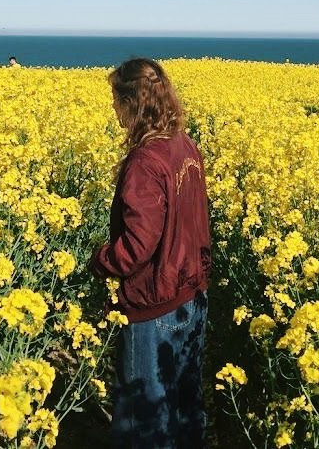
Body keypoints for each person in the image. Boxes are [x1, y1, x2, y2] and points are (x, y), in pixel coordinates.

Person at [90, 58, 211, 448]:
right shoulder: (184, 145)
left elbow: (137, 247)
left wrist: (102, 259)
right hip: (191, 295)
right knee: (184, 408)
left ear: (133, 102)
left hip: (154, 305)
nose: (113, 109)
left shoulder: (145, 160)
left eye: (116, 100)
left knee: (146, 421)